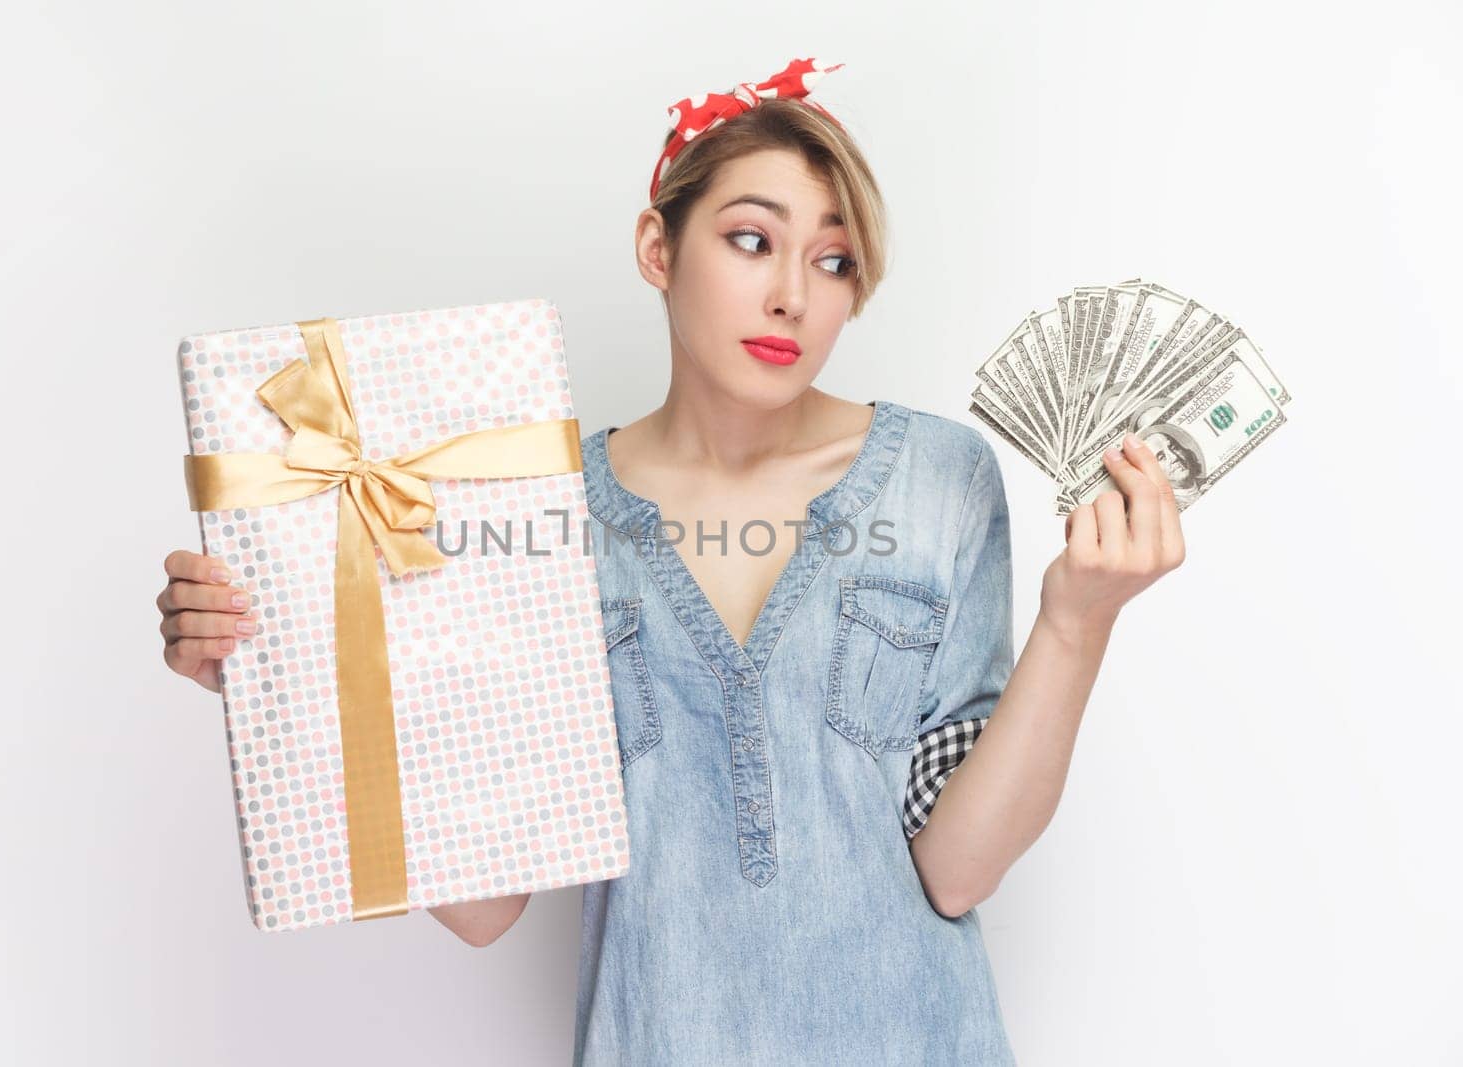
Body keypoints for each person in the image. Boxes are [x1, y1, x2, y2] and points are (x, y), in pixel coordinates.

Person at [156, 57, 1186, 1066]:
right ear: (658, 246)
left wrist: (1075, 622)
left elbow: (959, 871)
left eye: (833, 262)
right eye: (751, 239)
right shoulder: (542, 509)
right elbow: (484, 907)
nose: (793, 294)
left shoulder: (937, 477)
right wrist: (273, 667)